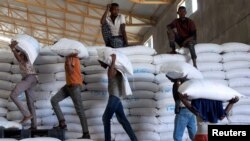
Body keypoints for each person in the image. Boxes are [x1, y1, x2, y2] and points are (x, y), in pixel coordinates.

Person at [50, 53, 90, 139]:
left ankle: (86, 133)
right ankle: (62, 123)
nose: (59, 54)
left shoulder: (72, 58)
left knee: (80, 110)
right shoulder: (69, 58)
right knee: (54, 100)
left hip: (75, 86)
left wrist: (68, 61)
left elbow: (71, 71)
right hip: (68, 86)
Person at [99, 54, 137, 141]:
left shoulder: (115, 68)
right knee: (123, 120)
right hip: (115, 98)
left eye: (101, 63)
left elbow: (110, 76)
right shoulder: (115, 68)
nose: (101, 65)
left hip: (114, 98)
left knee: (105, 118)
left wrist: (112, 61)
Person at [9, 40, 38, 129]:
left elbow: (19, 58)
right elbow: (18, 57)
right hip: (31, 79)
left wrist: (13, 49)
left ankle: (27, 115)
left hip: (29, 78)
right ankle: (34, 126)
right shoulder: (23, 54)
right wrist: (14, 49)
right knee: (30, 103)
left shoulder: (25, 55)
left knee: (13, 95)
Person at [167, 76, 197, 141]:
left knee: (177, 136)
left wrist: (177, 84)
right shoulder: (191, 84)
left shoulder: (179, 85)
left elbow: (180, 96)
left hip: (183, 111)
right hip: (191, 111)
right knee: (194, 135)